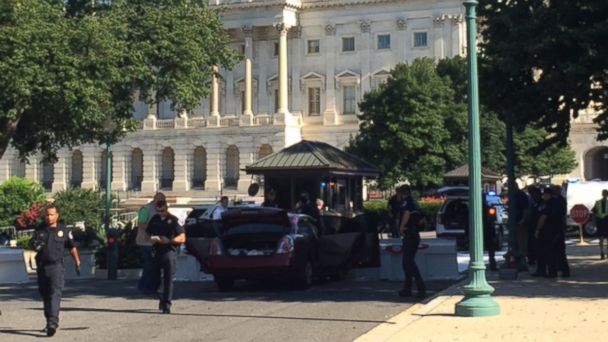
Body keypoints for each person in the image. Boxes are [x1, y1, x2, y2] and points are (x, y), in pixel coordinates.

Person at [29, 204, 81, 337]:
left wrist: (77, 261)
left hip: (56, 266)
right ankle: (49, 322)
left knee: (54, 294)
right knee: (45, 295)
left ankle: (53, 323)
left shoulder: (63, 230)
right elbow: (32, 244)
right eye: (47, 214)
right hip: (42, 267)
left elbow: (72, 247)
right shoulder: (39, 229)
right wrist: (34, 245)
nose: (49, 217)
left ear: (57, 215)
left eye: (51, 214)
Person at [146, 199, 186, 314]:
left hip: (169, 251)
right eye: (158, 211)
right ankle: (161, 296)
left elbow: (182, 237)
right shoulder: (154, 220)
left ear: (166, 208)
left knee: (168, 279)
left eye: (162, 210)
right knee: (155, 279)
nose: (160, 213)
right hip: (156, 251)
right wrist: (152, 239)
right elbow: (147, 235)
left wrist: (169, 241)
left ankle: (166, 304)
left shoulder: (173, 220)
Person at [397, 185, 426, 298]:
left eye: (398, 194)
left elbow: (406, 213)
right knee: (408, 263)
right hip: (415, 235)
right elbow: (422, 218)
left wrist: (402, 226)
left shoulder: (406, 203)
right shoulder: (415, 203)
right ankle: (407, 289)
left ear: (402, 193)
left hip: (409, 234)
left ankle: (420, 287)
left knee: (408, 263)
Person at [136, 192, 165, 294]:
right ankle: (145, 287)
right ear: (154, 199)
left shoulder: (162, 209)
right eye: (160, 200)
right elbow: (140, 224)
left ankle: (150, 287)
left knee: (154, 265)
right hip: (145, 242)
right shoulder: (146, 209)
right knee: (149, 265)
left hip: (156, 242)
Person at [533, 188, 560, 278]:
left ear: (549, 195)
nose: (543, 196)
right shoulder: (555, 203)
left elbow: (543, 217)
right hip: (553, 231)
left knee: (548, 252)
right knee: (545, 252)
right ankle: (543, 270)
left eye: (545, 194)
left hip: (547, 231)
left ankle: (551, 272)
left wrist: (537, 229)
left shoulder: (549, 204)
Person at [551, 185, 570, 277]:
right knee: (558, 252)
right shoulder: (559, 200)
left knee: (560, 251)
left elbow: (560, 213)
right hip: (558, 227)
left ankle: (563, 270)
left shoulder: (559, 201)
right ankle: (560, 268)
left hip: (558, 228)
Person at [592, 189, 608, 259]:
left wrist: (594, 222)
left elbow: (594, 213)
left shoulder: (598, 202)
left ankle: (603, 253)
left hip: (602, 222)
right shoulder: (598, 202)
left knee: (602, 239)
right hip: (603, 222)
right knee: (602, 239)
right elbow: (594, 213)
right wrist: (594, 222)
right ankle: (603, 253)